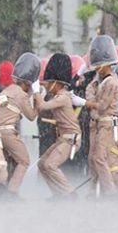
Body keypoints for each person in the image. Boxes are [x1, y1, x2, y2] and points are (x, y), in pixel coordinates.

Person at [33, 53, 81, 199]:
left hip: (71, 139)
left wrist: (36, 90)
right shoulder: (59, 95)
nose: (46, 85)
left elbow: (41, 106)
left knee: (50, 165)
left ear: (56, 82)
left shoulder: (62, 97)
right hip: (64, 139)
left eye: (49, 82)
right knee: (42, 164)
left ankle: (69, 193)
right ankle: (58, 193)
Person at [0, 52, 39, 199]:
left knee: (8, 161)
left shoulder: (6, 91)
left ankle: (1, 189)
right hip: (8, 133)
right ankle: (12, 192)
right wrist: (38, 100)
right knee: (24, 160)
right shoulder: (21, 94)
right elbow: (31, 116)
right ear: (28, 83)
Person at [83, 35, 118, 197]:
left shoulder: (111, 82)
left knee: (99, 158)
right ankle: (93, 189)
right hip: (99, 123)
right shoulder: (101, 81)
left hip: (107, 123)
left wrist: (87, 103)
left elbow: (102, 106)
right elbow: (89, 91)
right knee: (93, 158)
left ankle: (110, 192)